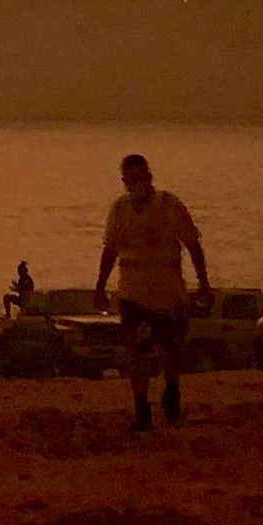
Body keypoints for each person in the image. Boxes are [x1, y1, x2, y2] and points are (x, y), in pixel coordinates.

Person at [95, 153, 209, 432]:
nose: (134, 185)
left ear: (149, 177)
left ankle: (171, 397)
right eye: (128, 180)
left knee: (172, 352)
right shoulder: (120, 209)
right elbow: (110, 249)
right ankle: (141, 409)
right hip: (133, 293)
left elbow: (193, 244)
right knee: (137, 353)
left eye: (138, 178)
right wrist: (100, 286)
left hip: (168, 294)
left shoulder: (170, 206)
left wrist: (203, 283)